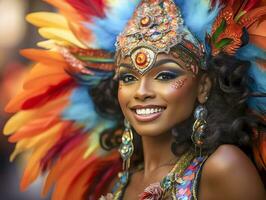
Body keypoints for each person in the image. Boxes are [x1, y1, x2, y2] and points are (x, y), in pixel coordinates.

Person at [3, 0, 266, 199]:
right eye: (128, 78)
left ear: (204, 86)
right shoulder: (119, 181)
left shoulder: (222, 168)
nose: (141, 91)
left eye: (164, 75)